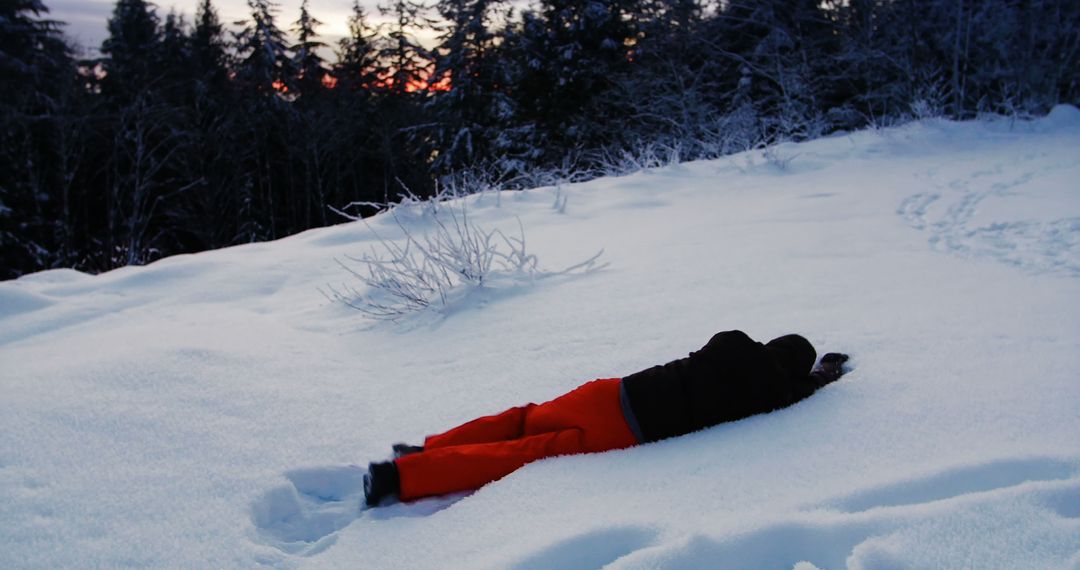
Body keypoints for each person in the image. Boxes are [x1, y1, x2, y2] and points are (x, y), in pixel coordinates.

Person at [363, 330, 850, 506]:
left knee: (521, 420)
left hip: (608, 394)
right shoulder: (775, 393)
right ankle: (397, 478)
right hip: (623, 430)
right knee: (515, 456)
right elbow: (803, 390)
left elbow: (710, 353)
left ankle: (427, 448)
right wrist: (825, 370)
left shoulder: (733, 340)